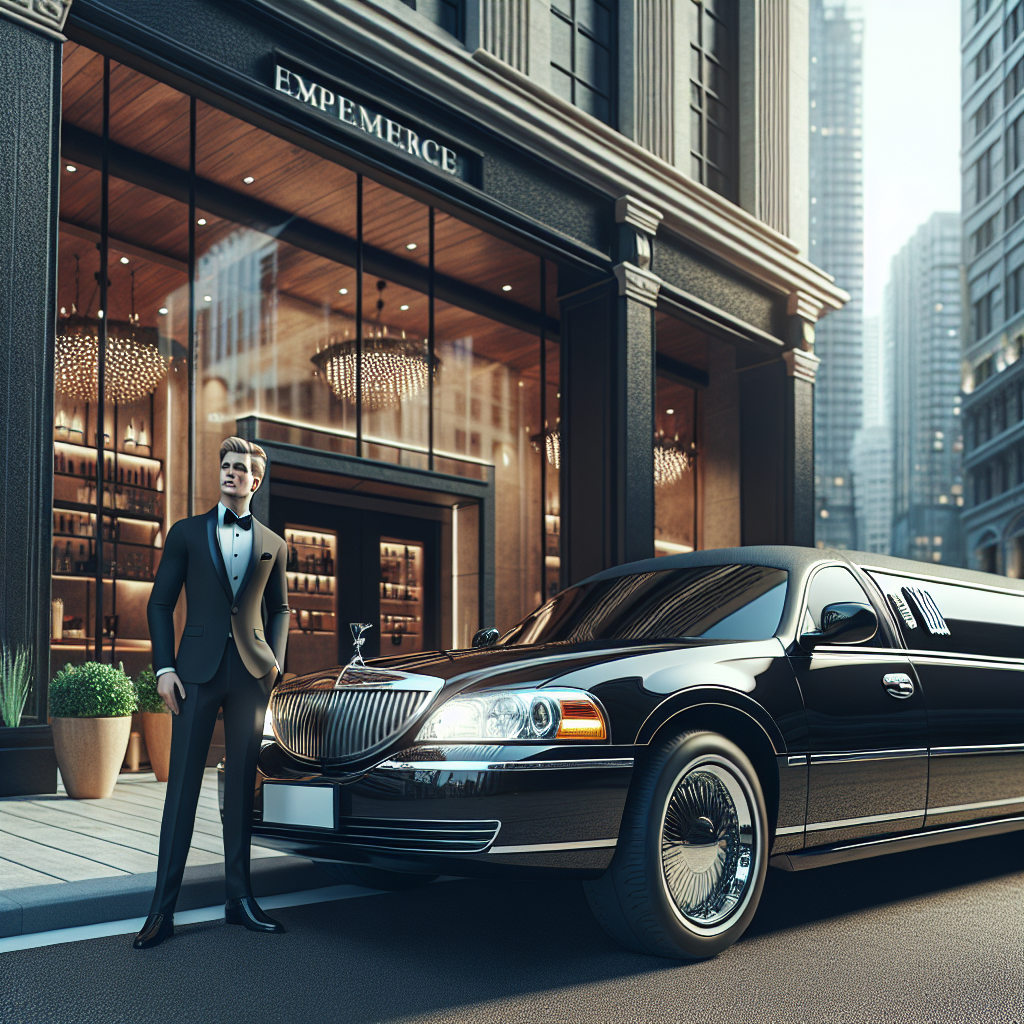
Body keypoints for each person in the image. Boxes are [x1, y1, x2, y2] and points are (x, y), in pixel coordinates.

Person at [133, 437, 290, 950]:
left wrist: (277, 661)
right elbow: (160, 604)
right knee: (182, 790)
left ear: (255, 481)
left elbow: (281, 609)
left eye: (240, 468)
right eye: (225, 465)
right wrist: (163, 668)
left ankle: (239, 900)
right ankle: (162, 911)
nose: (231, 473)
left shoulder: (273, 542)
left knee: (243, 788)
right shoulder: (185, 533)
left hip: (251, 673)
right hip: (195, 672)